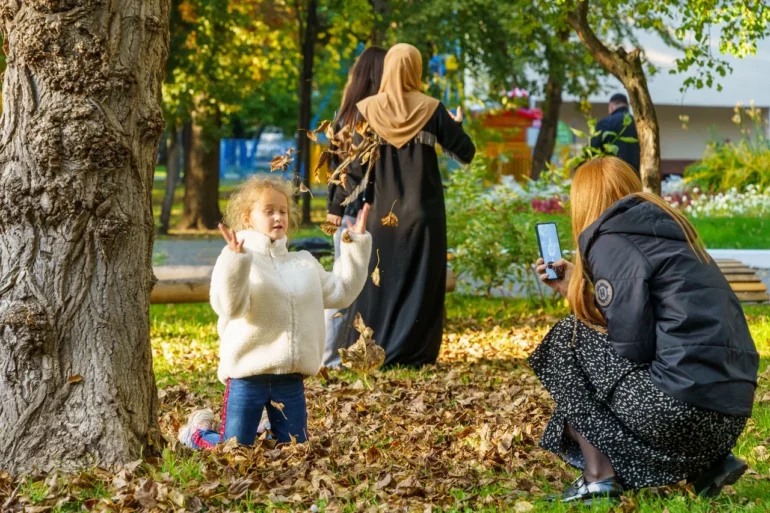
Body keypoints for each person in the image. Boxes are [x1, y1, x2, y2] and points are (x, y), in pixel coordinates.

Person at [530, 157, 758, 503]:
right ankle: (709, 466)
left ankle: (598, 477)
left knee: (566, 339)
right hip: (729, 415)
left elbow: (633, 345)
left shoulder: (610, 241)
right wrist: (574, 286)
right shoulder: (671, 231)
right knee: (590, 383)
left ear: (586, 200)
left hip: (682, 412)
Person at [177, 175, 372, 448]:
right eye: (269, 211)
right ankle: (196, 433)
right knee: (232, 451)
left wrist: (357, 246)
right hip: (248, 376)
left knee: (296, 449)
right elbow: (229, 307)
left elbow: (341, 291)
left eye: (283, 211)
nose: (278, 217)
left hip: (290, 379)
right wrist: (236, 261)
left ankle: (266, 427)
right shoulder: (236, 257)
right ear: (248, 218)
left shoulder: (303, 263)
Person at [344, 43, 475, 367]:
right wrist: (455, 125)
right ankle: (414, 353)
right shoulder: (432, 109)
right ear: (416, 69)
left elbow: (354, 171)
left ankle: (371, 349)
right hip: (423, 213)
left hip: (379, 215)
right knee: (421, 282)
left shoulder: (366, 109)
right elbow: (466, 152)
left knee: (378, 280)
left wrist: (344, 211)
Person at [324, 46, 387, 368]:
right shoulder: (372, 121)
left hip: (348, 211)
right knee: (344, 285)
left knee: (343, 283)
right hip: (361, 214)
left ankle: (333, 354)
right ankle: (327, 357)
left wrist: (331, 207)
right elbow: (352, 170)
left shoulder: (345, 117)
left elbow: (334, 168)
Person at [590, 93, 640, 173]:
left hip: (612, 173)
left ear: (611, 107)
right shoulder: (639, 123)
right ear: (627, 106)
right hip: (634, 173)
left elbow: (594, 149)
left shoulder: (605, 122)